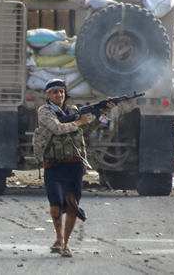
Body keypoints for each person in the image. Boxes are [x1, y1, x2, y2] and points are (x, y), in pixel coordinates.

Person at [33, 79, 115, 257]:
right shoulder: (44, 111)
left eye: (61, 92)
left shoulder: (74, 111)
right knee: (55, 202)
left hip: (74, 165)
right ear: (48, 95)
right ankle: (59, 238)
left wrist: (101, 113)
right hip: (54, 164)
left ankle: (66, 244)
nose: (59, 95)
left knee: (72, 206)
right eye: (55, 92)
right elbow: (56, 127)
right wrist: (78, 123)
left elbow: (87, 130)